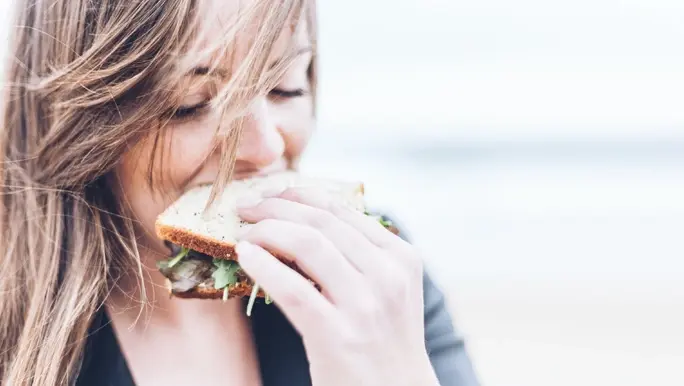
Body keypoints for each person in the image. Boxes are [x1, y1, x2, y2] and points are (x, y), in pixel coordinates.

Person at [0, 1, 480, 385]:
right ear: (78, 123)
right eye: (190, 105)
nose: (268, 145)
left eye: (286, 88)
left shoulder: (377, 279)